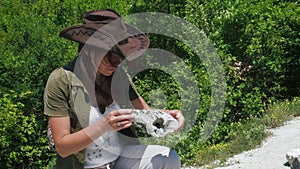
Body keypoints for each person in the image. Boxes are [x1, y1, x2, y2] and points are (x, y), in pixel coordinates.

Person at [43, 9, 185, 169]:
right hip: (82, 166)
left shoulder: (119, 77)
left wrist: (169, 115)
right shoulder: (61, 80)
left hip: (120, 160)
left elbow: (145, 112)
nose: (117, 62)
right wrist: (104, 126)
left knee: (169, 158)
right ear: (89, 49)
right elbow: (63, 147)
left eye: (121, 55)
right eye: (110, 54)